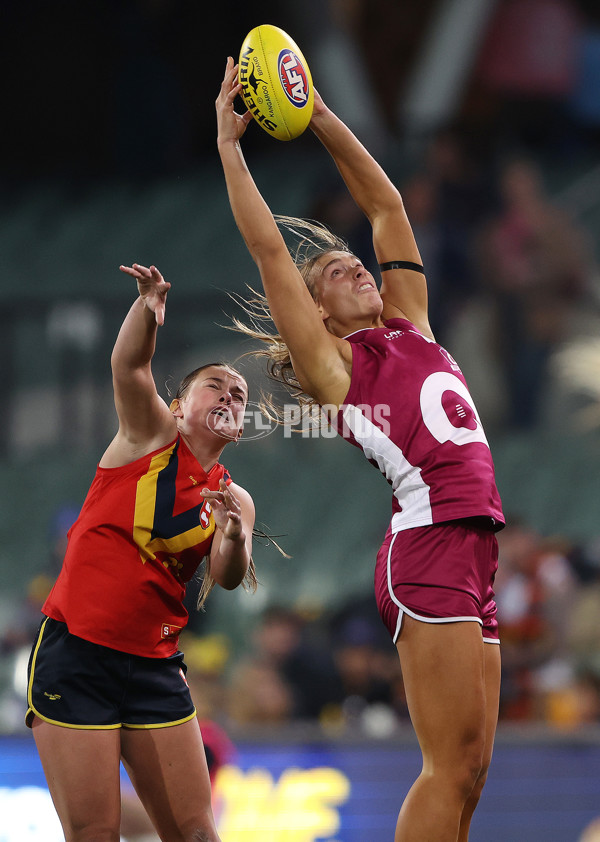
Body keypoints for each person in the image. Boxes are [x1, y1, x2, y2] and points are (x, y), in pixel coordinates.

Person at [216, 57, 505, 842]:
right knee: (446, 766)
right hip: (429, 544)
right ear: (316, 313)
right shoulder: (338, 367)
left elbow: (384, 202)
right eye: (333, 273)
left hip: (475, 547)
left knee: (473, 769)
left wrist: (315, 115)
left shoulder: (410, 323)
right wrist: (232, 150)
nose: (352, 264)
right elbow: (272, 250)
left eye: (353, 260)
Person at [26, 262, 257, 842]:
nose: (230, 395)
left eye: (240, 394)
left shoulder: (235, 498)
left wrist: (232, 537)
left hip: (155, 667)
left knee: (199, 834)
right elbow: (129, 364)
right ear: (178, 406)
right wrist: (149, 307)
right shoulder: (150, 435)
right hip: (78, 654)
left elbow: (228, 578)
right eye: (215, 385)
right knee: (95, 833)